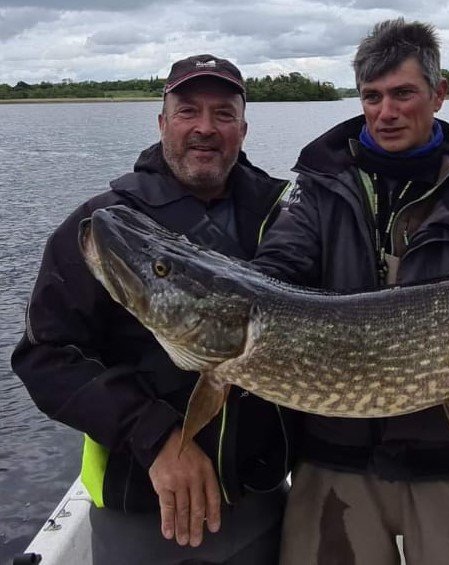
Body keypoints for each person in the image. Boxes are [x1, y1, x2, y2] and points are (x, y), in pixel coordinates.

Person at [254, 19, 449, 565]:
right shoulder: (318, 187)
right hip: (334, 463)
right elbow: (276, 273)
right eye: (371, 96)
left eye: (402, 94)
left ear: (438, 95)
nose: (385, 112)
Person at [12, 54, 295, 564]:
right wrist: (157, 436)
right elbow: (45, 356)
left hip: (259, 502)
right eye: (188, 111)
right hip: (141, 505)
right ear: (163, 122)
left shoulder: (284, 222)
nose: (205, 128)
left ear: (243, 129)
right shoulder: (102, 226)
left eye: (223, 113)